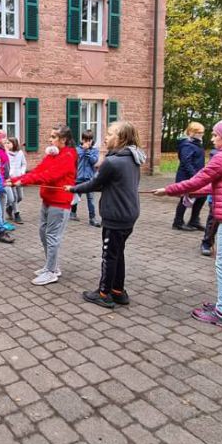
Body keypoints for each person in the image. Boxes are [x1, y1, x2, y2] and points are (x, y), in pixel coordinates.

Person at [154, 118, 222, 327]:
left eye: (216, 135)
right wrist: (191, 193)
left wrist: (169, 190)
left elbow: (198, 180)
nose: (212, 138)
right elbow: (216, 186)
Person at [68, 121, 145, 308]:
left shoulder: (112, 162)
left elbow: (95, 184)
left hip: (116, 216)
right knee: (118, 253)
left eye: (110, 134)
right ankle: (118, 291)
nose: (105, 137)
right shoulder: (133, 158)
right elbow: (108, 184)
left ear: (121, 138)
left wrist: (73, 188)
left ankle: (103, 294)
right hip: (130, 214)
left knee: (109, 255)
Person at [11, 125, 78, 286]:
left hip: (60, 203)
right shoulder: (52, 155)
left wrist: (23, 181)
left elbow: (49, 176)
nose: (50, 139)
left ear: (64, 139)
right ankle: (51, 265)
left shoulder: (68, 155)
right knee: (43, 233)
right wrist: (15, 180)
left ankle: (51, 272)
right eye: (51, 136)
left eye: (53, 137)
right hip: (47, 200)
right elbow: (39, 170)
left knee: (52, 236)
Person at [173, 122, 207, 231]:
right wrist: (195, 176)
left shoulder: (197, 143)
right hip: (187, 176)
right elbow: (186, 163)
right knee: (185, 198)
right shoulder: (187, 145)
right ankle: (178, 222)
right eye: (198, 132)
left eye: (202, 132)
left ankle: (194, 220)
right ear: (191, 132)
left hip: (197, 175)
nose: (201, 134)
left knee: (201, 196)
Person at [72, 129, 101, 226]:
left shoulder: (95, 150)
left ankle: (92, 218)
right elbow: (74, 162)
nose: (87, 142)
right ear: (82, 140)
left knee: (91, 199)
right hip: (79, 178)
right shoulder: (77, 150)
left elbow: (94, 161)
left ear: (92, 140)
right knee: (76, 197)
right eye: (85, 140)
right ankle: (72, 213)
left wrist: (88, 151)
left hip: (90, 179)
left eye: (89, 140)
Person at [5, 137, 26, 224]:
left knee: (20, 197)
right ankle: (17, 214)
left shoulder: (20, 153)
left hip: (19, 178)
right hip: (10, 178)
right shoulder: (5, 153)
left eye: (9, 143)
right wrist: (8, 174)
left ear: (14, 144)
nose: (7, 144)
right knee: (14, 197)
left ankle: (9, 208)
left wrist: (22, 172)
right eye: (6, 143)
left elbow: (24, 164)